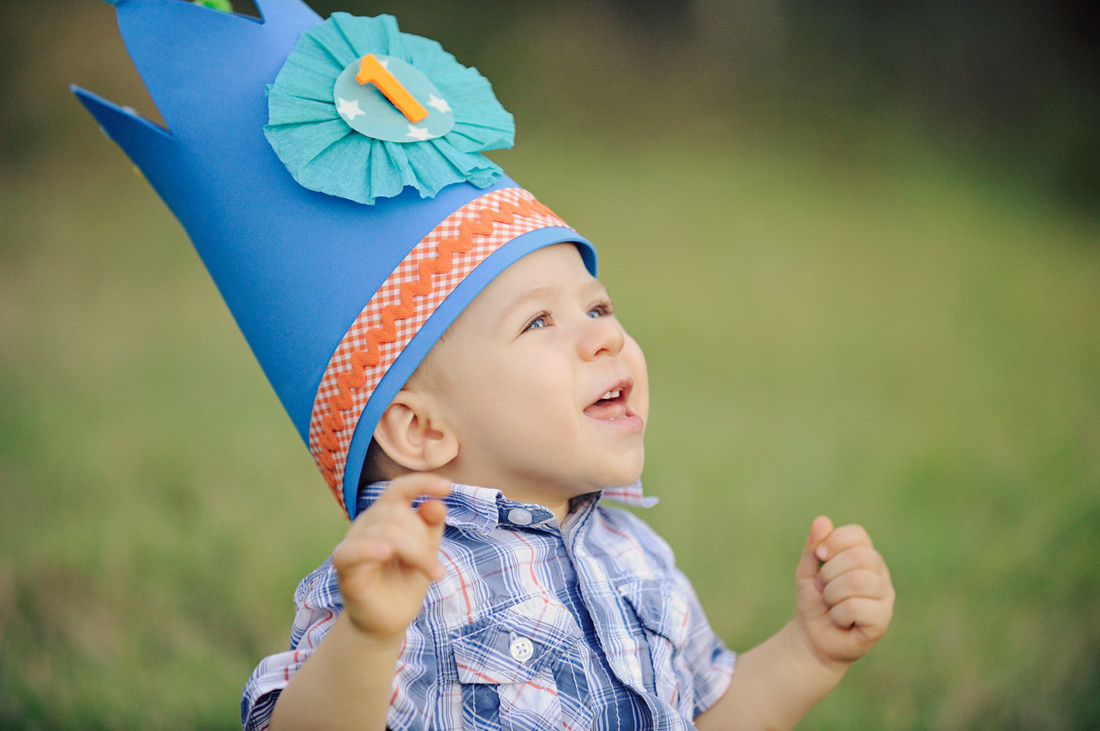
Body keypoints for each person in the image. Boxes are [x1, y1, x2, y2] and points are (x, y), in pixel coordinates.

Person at [75, 2, 893, 729]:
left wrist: (806, 653)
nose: (604, 337)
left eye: (599, 307)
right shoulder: (400, 582)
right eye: (539, 320)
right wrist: (366, 637)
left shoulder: (637, 559)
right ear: (421, 426)